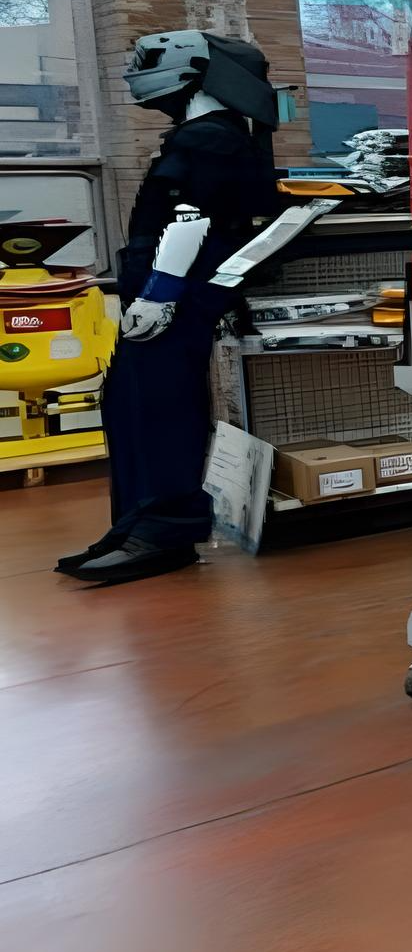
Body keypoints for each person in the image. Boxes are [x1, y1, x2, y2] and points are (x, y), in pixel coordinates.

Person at [63, 32, 285, 585]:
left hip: (173, 301)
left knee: (161, 409)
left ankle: (163, 530)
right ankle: (140, 525)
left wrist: (160, 296)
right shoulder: (210, 137)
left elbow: (192, 218)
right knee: (133, 404)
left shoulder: (210, 140)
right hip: (163, 297)